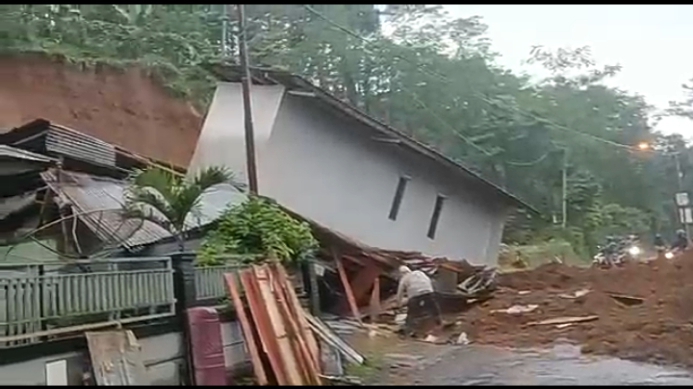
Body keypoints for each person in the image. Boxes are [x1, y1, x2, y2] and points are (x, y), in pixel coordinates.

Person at [395, 265, 442, 337]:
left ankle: (408, 330)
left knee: (412, 313)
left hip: (415, 295)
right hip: (429, 292)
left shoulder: (404, 278)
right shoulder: (420, 273)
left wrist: (398, 305)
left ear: (401, 273)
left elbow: (399, 293)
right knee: (434, 309)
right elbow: (428, 280)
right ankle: (439, 323)